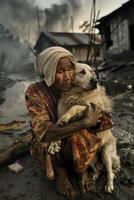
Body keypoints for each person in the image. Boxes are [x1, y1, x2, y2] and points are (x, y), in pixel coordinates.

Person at [25, 46, 112, 197]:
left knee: (81, 136)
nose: (67, 76)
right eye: (60, 71)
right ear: (49, 72)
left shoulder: (78, 87)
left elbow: (103, 119)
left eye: (69, 69)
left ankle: (81, 171)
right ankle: (60, 172)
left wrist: (92, 117)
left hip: (69, 138)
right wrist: (82, 123)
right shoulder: (34, 92)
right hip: (49, 140)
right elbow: (45, 131)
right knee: (43, 142)